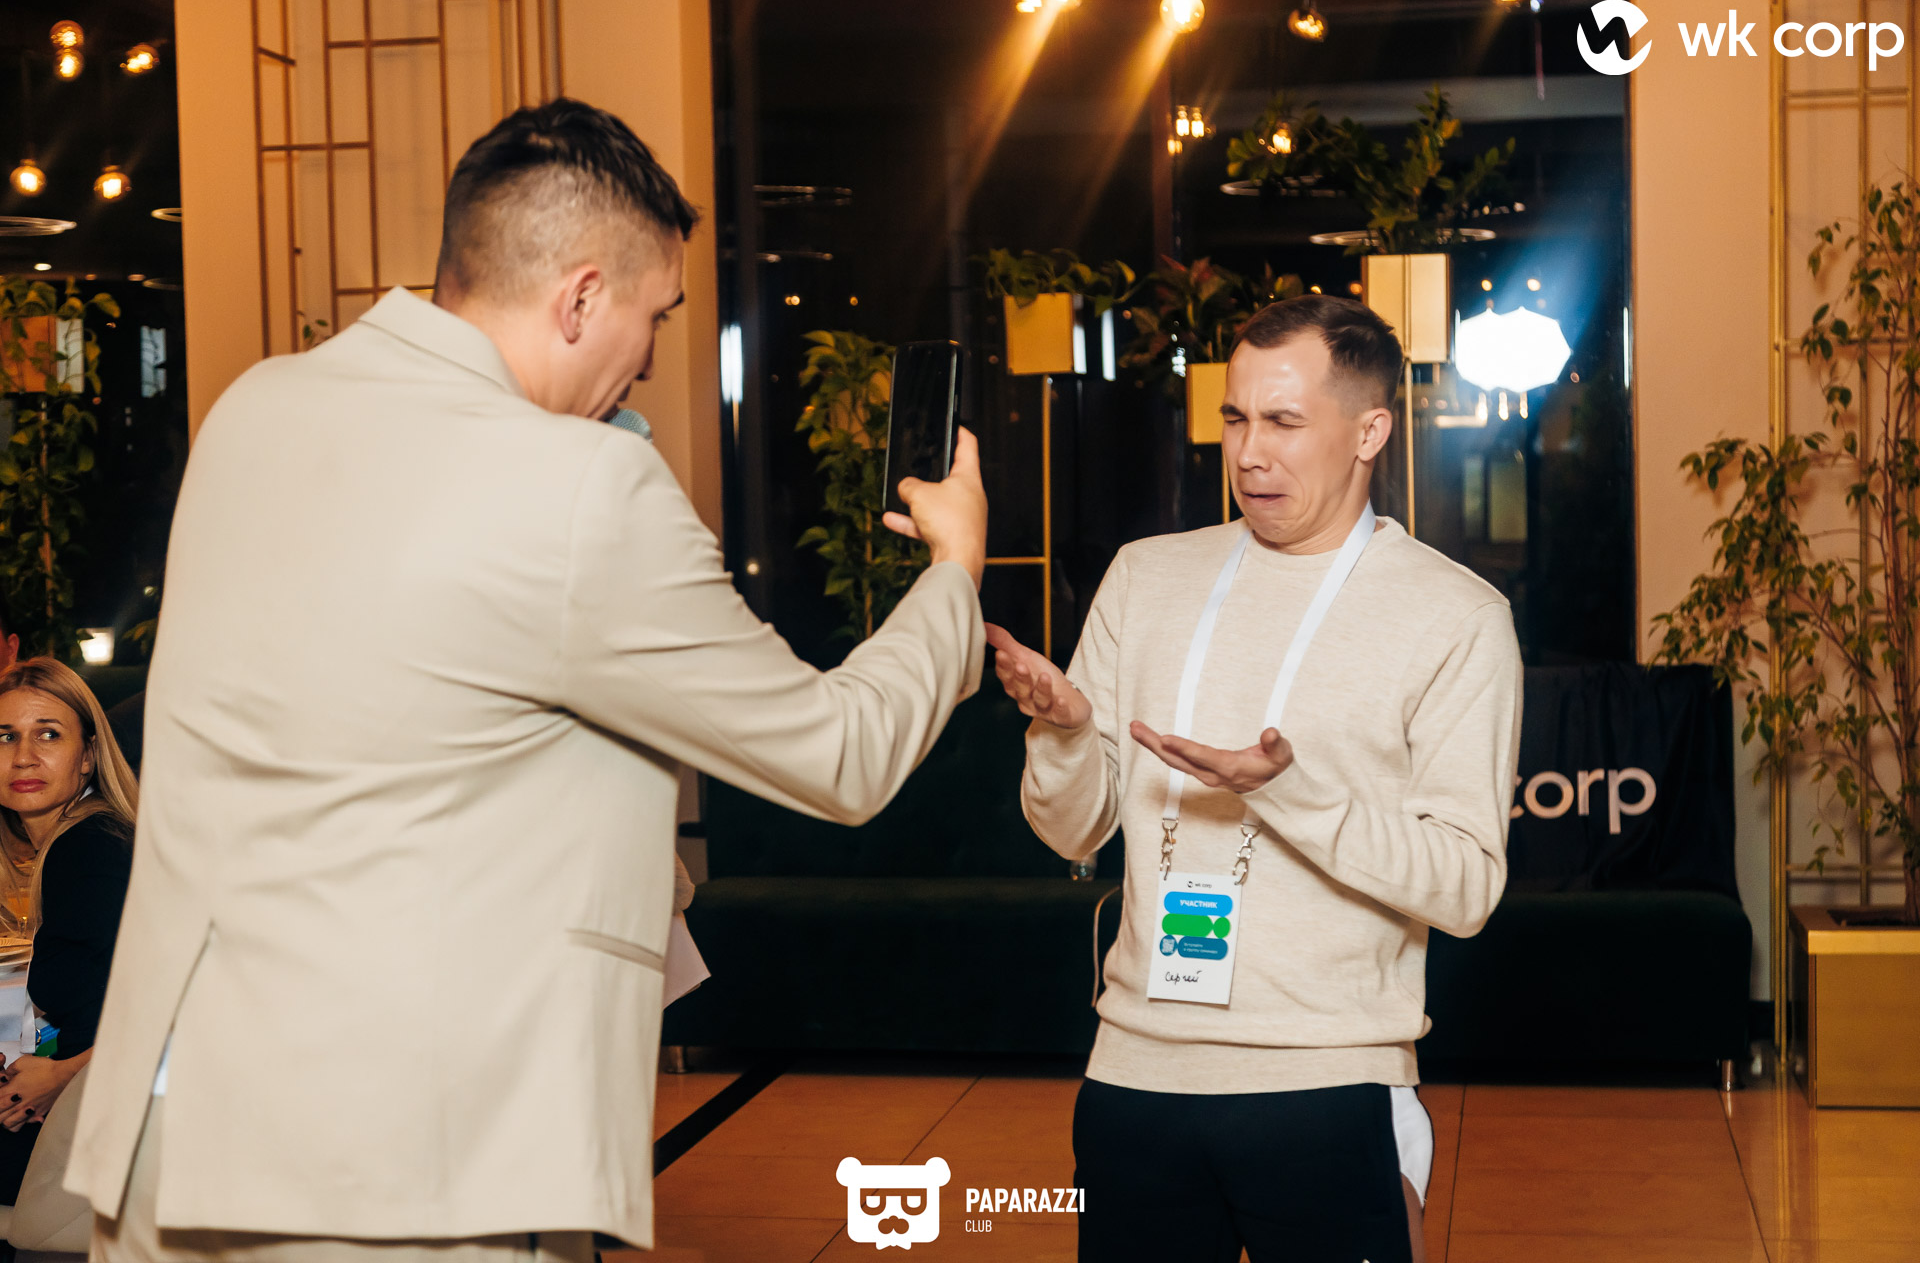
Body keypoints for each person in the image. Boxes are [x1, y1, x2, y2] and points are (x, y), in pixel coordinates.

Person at [68, 97, 988, 1261]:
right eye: (656, 315)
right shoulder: (580, 486)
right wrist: (953, 572)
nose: (648, 355)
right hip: (397, 1177)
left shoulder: (252, 408)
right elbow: (839, 753)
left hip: (174, 1138)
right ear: (582, 298)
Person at [989, 294, 1522, 1263]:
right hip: (1136, 1070)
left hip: (1327, 1079)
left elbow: (1465, 886)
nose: (1248, 454)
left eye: (1283, 421)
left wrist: (1282, 790)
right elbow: (1072, 831)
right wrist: (1064, 733)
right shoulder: (1145, 576)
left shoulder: (1456, 616)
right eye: (1235, 418)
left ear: (1369, 432)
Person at [0, 658, 138, 1204]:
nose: (23, 756)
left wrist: (62, 1075)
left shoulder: (91, 849)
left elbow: (181, 999)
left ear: (87, 756)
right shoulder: (80, 841)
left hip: (102, 1126)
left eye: (48, 735)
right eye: (5, 736)